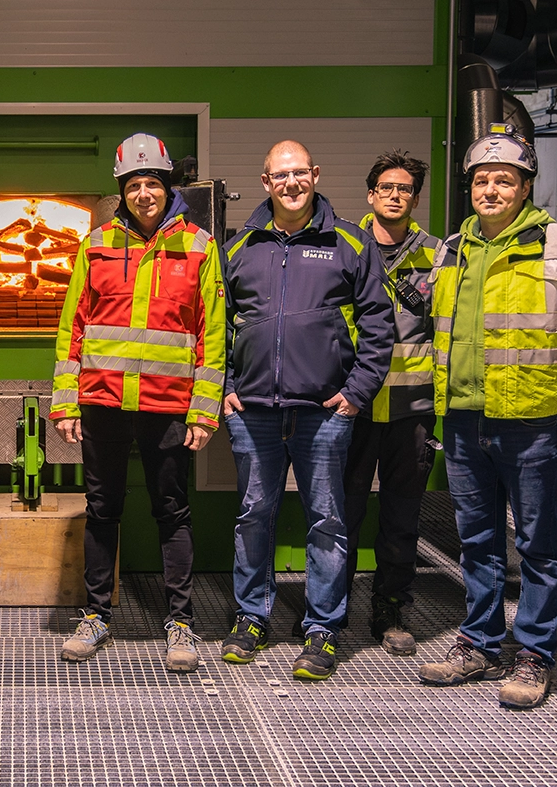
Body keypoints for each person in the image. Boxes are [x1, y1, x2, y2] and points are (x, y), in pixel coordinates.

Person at [418, 124, 557, 710]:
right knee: (477, 539)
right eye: (481, 180)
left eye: (504, 179)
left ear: (526, 187)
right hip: (465, 419)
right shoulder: (452, 250)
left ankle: (534, 654)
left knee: (539, 541)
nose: (491, 189)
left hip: (530, 419)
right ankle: (479, 642)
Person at [50, 133, 225, 673]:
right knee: (102, 509)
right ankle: (97, 614)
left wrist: (204, 408)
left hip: (168, 404)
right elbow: (72, 325)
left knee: (172, 511)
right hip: (101, 399)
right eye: (133, 185)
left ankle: (180, 623)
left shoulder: (198, 244)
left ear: (166, 185)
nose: (144, 193)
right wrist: (64, 401)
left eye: (152, 183)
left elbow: (211, 332)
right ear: (121, 190)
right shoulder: (97, 241)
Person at [220, 140, 395, 681]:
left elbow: (378, 324)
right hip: (251, 411)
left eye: (299, 173)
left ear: (315, 175)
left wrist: (357, 393)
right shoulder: (237, 247)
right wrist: (224, 386)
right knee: (254, 516)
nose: (291, 183)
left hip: (324, 411)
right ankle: (252, 617)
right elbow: (214, 324)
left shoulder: (349, 243)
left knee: (327, 520)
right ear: (265, 181)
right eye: (280, 175)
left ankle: (323, 627)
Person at [341, 150, 451, 656]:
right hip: (354, 408)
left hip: (412, 409)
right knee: (342, 510)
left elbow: (445, 330)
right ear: (370, 194)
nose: (394, 196)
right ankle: (331, 607)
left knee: (401, 515)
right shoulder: (344, 246)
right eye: (385, 187)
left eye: (404, 189)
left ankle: (389, 608)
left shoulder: (438, 255)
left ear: (414, 198)